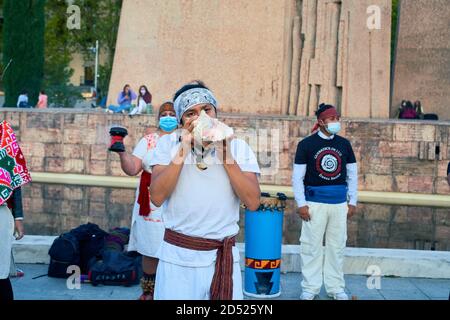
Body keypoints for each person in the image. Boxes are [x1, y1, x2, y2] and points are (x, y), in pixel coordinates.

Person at [148, 81, 261, 300]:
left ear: (215, 113)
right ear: (181, 121)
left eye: (206, 110)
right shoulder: (167, 145)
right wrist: (183, 149)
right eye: (191, 113)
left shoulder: (237, 147)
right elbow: (157, 197)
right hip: (178, 259)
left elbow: (253, 201)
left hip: (222, 257)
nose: (201, 118)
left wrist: (225, 154)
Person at [111, 102, 178, 300]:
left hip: (177, 199)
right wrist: (122, 152)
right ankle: (149, 291)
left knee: (176, 245)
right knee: (150, 246)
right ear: (158, 118)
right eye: (164, 114)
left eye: (172, 113)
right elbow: (133, 168)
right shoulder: (149, 140)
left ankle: (174, 291)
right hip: (150, 202)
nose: (167, 117)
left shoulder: (184, 139)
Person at [293, 103, 358, 300]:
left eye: (337, 118)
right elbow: (297, 177)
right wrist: (301, 204)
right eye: (331, 119)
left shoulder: (344, 144)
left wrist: (352, 201)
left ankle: (335, 287)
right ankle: (310, 288)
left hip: (339, 204)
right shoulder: (306, 145)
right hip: (314, 204)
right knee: (311, 246)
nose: (336, 122)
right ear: (321, 122)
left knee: (336, 247)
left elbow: (352, 174)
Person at [0, 187, 25, 301]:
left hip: (1, 211)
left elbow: (15, 184)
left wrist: (18, 218)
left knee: (1, 271)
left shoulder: (7, 168)